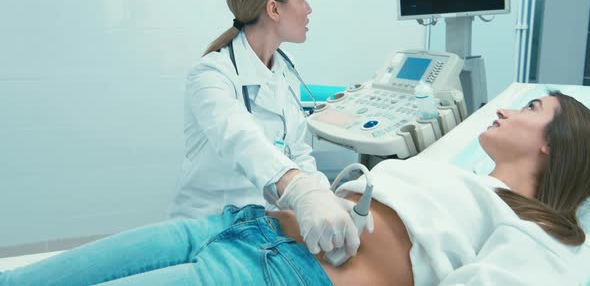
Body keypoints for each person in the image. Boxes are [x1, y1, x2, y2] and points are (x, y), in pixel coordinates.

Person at [2, 91, 589, 285]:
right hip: (237, 225)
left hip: (276, 271)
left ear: (554, 144)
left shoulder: (542, 234)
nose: (510, 108)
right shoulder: (458, 175)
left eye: (533, 106)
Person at [168, 0, 370, 259]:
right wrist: (300, 191)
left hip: (263, 230)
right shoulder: (211, 75)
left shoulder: (283, 70)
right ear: (274, 9)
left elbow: (298, 151)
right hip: (208, 231)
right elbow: (241, 140)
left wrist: (323, 199)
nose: (309, 8)